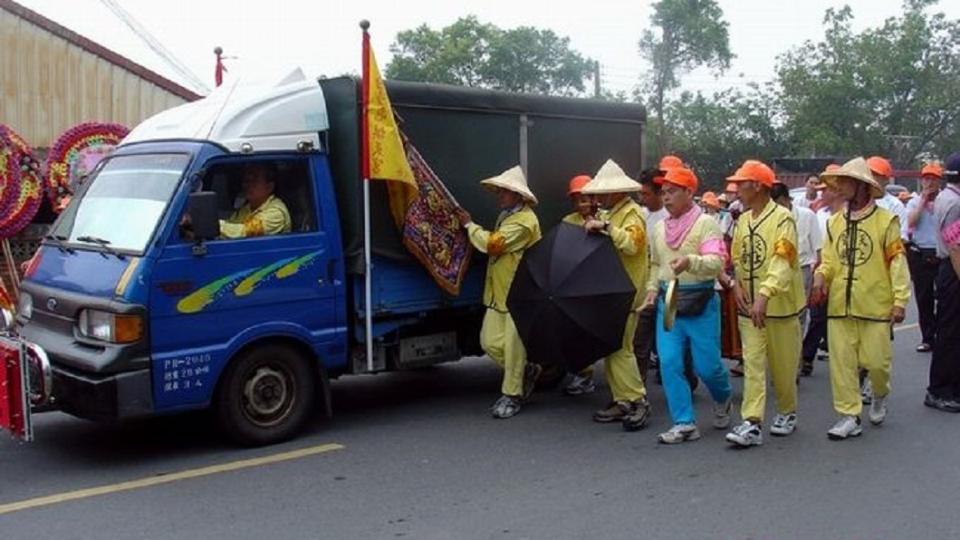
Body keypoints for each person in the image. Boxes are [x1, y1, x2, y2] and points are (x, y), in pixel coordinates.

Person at [812, 157, 911, 440]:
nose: (839, 188)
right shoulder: (833, 222)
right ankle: (849, 415)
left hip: (875, 305)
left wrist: (900, 299)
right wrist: (821, 276)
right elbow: (829, 261)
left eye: (845, 182)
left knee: (877, 364)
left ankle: (879, 394)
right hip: (839, 306)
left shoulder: (885, 221)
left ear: (861, 186)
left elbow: (897, 261)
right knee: (842, 364)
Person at [642, 166, 733, 444]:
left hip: (700, 300)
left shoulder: (706, 223)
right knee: (669, 363)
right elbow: (656, 263)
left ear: (689, 192)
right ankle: (684, 422)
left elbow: (718, 263)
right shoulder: (658, 227)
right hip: (668, 300)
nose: (666, 198)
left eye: (672, 192)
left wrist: (690, 261)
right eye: (664, 192)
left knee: (707, 367)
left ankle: (723, 396)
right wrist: (650, 291)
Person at [724, 161, 806, 447]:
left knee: (783, 368)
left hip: (780, 307)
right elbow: (737, 256)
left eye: (741, 183)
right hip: (749, 307)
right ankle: (752, 421)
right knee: (754, 364)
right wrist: (736, 286)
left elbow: (782, 260)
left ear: (757, 186)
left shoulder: (783, 219)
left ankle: (787, 411)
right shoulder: (743, 219)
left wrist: (765, 293)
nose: (736, 189)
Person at [455, 166, 542, 419]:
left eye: (505, 192)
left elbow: (494, 244)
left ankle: (512, 395)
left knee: (514, 347)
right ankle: (525, 372)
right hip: (499, 293)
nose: (500, 196)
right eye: (500, 191)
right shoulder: (506, 216)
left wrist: (469, 225)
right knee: (490, 342)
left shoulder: (525, 222)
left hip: (519, 292)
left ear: (518, 195)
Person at [581, 160, 653, 431]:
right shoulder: (613, 213)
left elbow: (633, 245)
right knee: (612, 347)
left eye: (602, 193)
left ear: (616, 192)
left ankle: (636, 399)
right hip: (614, 287)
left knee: (621, 348)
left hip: (628, 289)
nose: (598, 197)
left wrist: (606, 228)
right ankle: (623, 399)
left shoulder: (632, 214)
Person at [801, 175, 844, 375]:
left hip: (843, 275)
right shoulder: (819, 215)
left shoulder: (849, 216)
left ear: (836, 191)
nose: (820, 193)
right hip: (821, 270)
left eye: (825, 189)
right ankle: (806, 357)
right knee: (817, 315)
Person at [927, 152, 960, 413]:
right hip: (953, 270)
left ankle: (952, 386)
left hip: (949, 267)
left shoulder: (946, 197)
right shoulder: (955, 203)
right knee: (949, 332)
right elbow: (955, 246)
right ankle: (939, 389)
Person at [561, 175, 600, 396]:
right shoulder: (568, 222)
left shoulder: (606, 220)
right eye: (576, 200)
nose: (581, 205)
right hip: (576, 284)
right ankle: (583, 374)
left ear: (595, 199)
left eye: (585, 199)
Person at [772, 181, 822, 340]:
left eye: (780, 204)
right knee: (779, 312)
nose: (778, 209)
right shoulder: (771, 217)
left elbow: (818, 247)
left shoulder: (807, 216)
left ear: (787, 199)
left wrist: (817, 278)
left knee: (799, 312)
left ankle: (796, 354)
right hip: (776, 270)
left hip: (801, 269)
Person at [903, 164, 943, 353]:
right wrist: (923, 201)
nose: (929, 182)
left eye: (933, 178)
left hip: (942, 253)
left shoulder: (946, 200)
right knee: (924, 297)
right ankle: (928, 337)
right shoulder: (913, 201)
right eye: (926, 178)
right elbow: (910, 222)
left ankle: (943, 334)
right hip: (920, 253)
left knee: (945, 297)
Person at [219, 164, 293, 238]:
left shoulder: (276, 213)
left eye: (254, 180)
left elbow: (245, 232)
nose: (247, 184)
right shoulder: (246, 208)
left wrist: (215, 225)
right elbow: (229, 226)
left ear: (269, 187)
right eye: (246, 180)